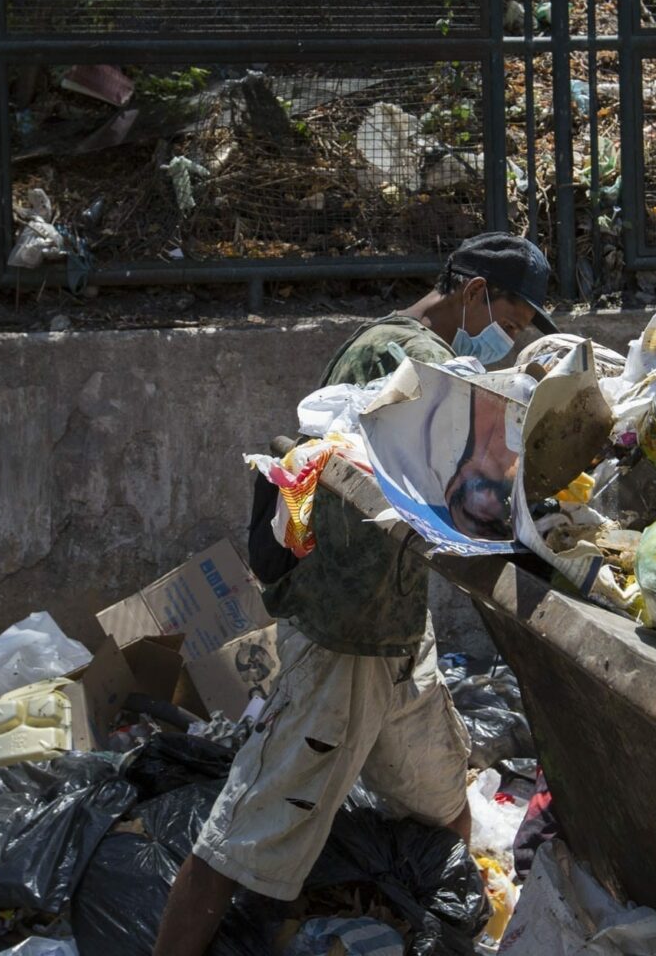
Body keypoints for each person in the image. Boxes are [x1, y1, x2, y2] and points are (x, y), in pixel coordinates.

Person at [152, 232, 555, 956]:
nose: (511, 338)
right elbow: (466, 473)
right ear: (473, 295)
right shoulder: (403, 358)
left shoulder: (416, 355)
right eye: (514, 321)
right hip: (344, 641)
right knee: (244, 841)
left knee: (444, 809)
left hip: (396, 632)